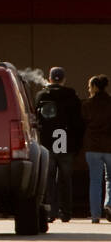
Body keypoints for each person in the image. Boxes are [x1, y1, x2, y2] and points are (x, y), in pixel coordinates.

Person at [36, 66, 84, 222]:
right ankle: (66, 212)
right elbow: (78, 124)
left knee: (48, 178)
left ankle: (51, 211)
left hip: (47, 142)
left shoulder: (41, 95)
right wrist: (77, 146)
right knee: (66, 179)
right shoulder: (72, 97)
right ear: (64, 79)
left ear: (50, 79)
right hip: (67, 142)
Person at [82, 74, 111, 224]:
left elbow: (82, 123)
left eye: (89, 86)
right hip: (109, 146)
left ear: (94, 87)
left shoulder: (87, 104)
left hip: (92, 146)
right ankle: (109, 205)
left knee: (95, 181)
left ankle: (95, 215)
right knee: (110, 179)